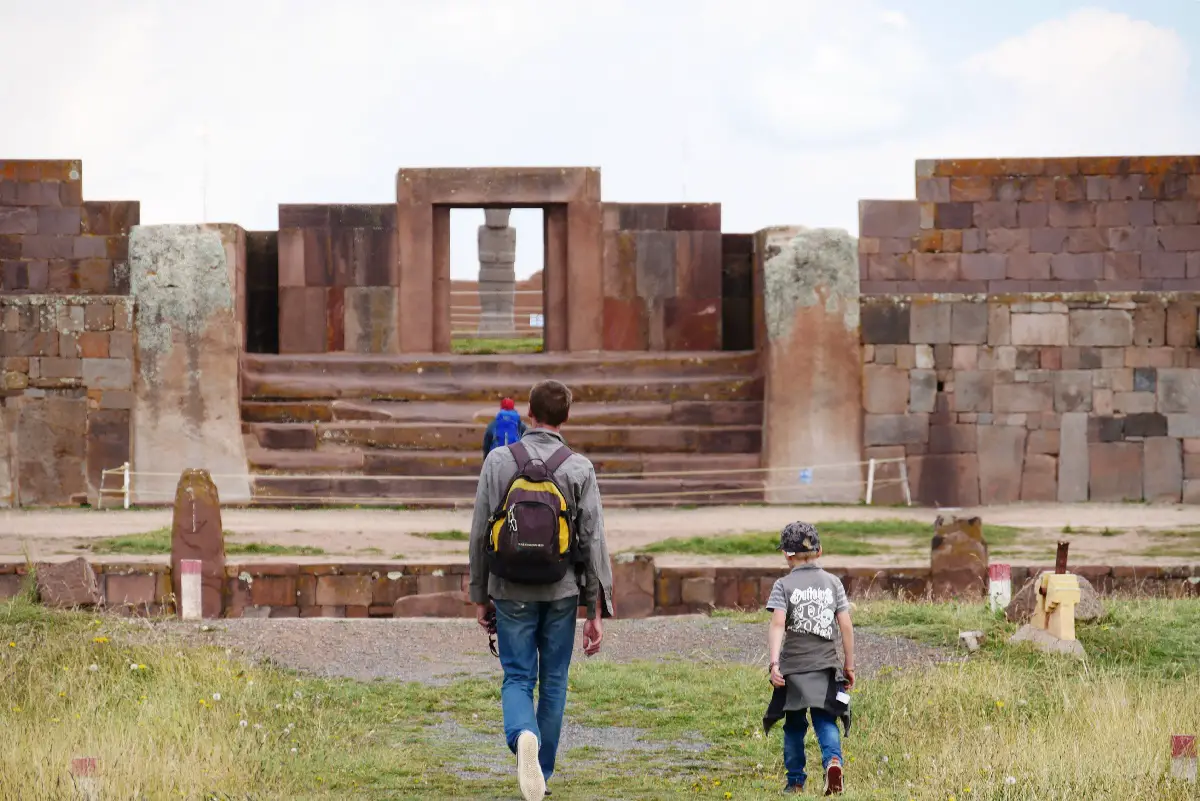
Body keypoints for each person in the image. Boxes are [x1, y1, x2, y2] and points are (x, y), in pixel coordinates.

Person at [468, 379, 614, 801]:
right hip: (562, 590)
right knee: (553, 681)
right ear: (566, 417)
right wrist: (596, 610)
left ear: (528, 414)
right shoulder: (578, 467)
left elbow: (480, 532)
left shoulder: (498, 461)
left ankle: (523, 737)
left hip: (509, 588)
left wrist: (480, 595)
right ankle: (541, 772)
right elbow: (593, 542)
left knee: (517, 677)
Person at [763, 522, 855, 795]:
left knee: (793, 725)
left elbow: (778, 624)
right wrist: (848, 664)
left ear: (787, 555)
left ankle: (795, 781)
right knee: (826, 719)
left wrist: (774, 664)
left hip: (794, 669)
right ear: (820, 550)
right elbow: (846, 625)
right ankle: (833, 761)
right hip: (826, 666)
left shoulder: (783, 585)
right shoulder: (833, 583)